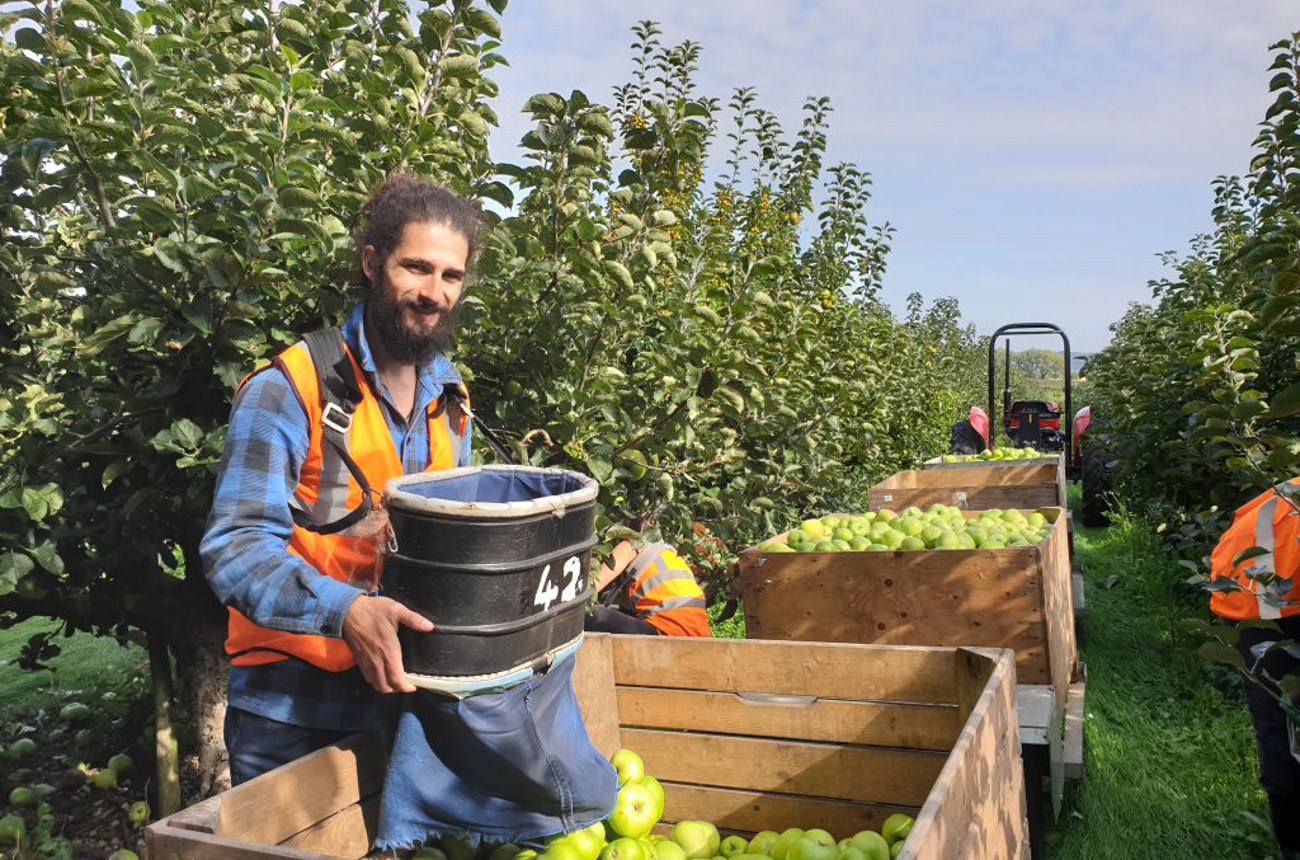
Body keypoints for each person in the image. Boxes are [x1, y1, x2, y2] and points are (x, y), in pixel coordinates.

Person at [200, 173, 481, 785]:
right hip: (292, 707)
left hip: (406, 697)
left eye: (451, 276)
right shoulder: (290, 388)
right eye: (416, 267)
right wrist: (348, 611)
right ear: (372, 264)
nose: (434, 292)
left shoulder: (450, 397)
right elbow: (234, 548)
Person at [1209, 479, 1300, 860]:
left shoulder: (1287, 493)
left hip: (1253, 595)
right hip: (1265, 605)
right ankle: (1293, 840)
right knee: (1285, 722)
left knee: (1283, 723)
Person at [584, 539, 711, 637]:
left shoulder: (631, 546)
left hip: (666, 632)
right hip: (698, 638)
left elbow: (592, 587)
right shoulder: (666, 557)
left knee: (591, 615)